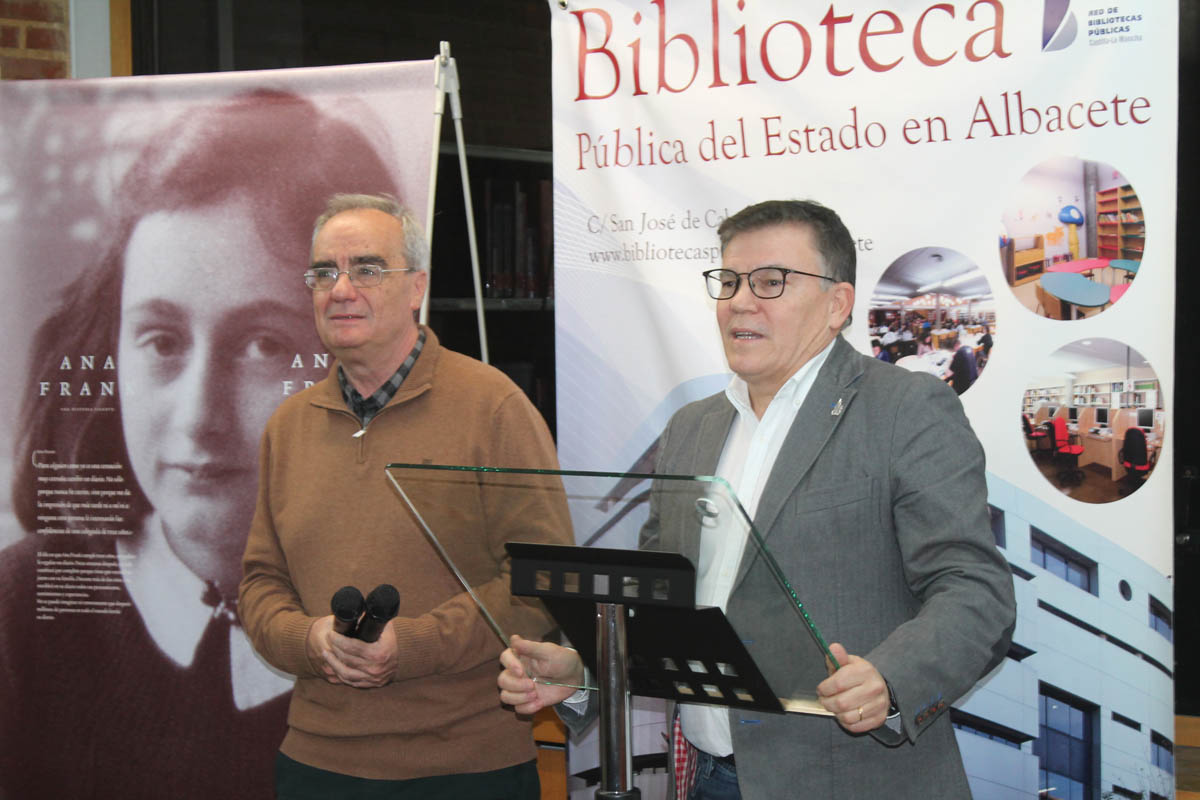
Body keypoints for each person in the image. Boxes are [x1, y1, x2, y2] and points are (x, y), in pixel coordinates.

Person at [498, 199, 1015, 800]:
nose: (740, 301)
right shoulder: (693, 427)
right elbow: (662, 603)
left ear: (836, 304)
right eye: (729, 281)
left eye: (771, 282)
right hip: (710, 777)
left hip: (851, 778)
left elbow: (975, 588)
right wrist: (587, 666)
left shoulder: (904, 410)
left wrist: (892, 679)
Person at [0, 90, 402, 799]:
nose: (196, 418)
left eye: (262, 344)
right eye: (161, 339)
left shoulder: (405, 606)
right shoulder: (16, 609)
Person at [238, 193, 571, 799]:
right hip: (317, 761)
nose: (341, 289)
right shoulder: (287, 426)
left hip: (467, 766)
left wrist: (411, 646)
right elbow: (261, 583)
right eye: (324, 272)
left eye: (367, 269)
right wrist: (310, 640)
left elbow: (541, 579)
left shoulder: (492, 407)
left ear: (416, 287)